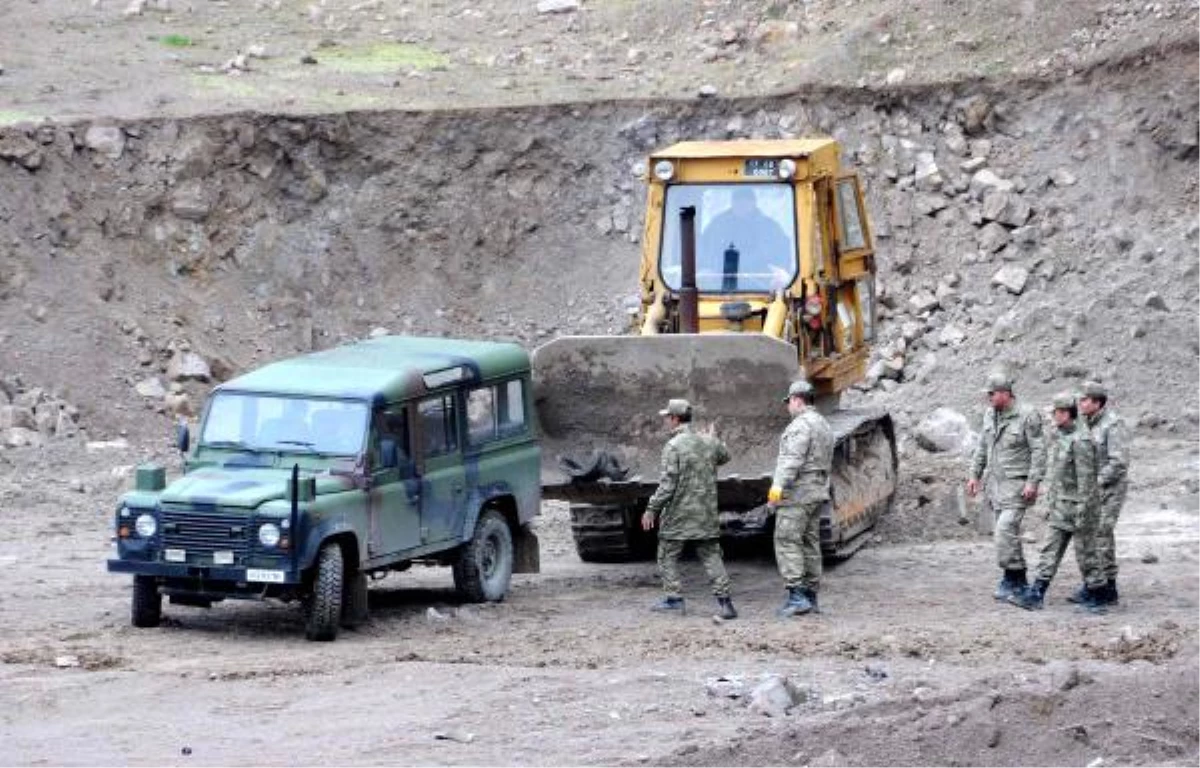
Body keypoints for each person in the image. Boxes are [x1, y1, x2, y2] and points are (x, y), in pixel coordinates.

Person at [640, 398, 736, 620]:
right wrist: (713, 439)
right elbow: (725, 456)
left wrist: (652, 509)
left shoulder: (673, 446)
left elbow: (668, 485)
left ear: (674, 419)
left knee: (666, 554)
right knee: (712, 556)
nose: (666, 421)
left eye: (667, 418)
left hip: (679, 514)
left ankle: (674, 599)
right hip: (706, 512)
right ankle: (726, 604)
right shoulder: (708, 442)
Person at [1009, 392, 1105, 611]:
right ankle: (1036, 594)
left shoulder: (1081, 440)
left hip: (1080, 507)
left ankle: (1098, 594)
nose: (1052, 416)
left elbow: (1087, 481)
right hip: (1061, 506)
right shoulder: (1058, 435)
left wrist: (1083, 511)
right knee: (1050, 550)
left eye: (1056, 412)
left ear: (1066, 413)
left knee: (1086, 553)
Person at [966, 371, 1046, 601]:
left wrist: (1033, 482)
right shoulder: (990, 415)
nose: (988, 398)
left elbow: (1039, 451)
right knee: (1006, 534)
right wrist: (975, 475)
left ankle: (1014, 578)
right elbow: (982, 446)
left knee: (1004, 530)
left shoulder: (1027, 416)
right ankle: (1015, 578)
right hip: (996, 487)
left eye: (992, 394)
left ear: (1005, 394)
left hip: (1017, 486)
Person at [767, 379, 834, 617]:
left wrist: (776, 490)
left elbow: (791, 461)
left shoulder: (800, 426)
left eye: (789, 402)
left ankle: (796, 597)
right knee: (810, 543)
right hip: (817, 491)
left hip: (798, 493)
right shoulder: (823, 424)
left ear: (796, 400)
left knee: (786, 539)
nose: (788, 408)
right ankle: (811, 596)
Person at [1075, 380, 1129, 606]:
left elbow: (1119, 463)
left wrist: (1096, 483)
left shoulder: (1112, 425)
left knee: (1101, 535)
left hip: (1108, 489)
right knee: (1087, 535)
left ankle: (1108, 588)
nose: (1080, 403)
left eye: (1085, 399)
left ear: (1097, 403)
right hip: (1090, 490)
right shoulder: (1084, 424)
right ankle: (1093, 584)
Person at [699, 187, 791, 289]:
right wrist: (706, 268)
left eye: (746, 201)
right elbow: (704, 249)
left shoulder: (770, 227)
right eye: (738, 201)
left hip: (762, 285)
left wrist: (781, 273)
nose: (742, 205)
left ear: (753, 203)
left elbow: (783, 253)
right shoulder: (717, 225)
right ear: (732, 202)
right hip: (719, 283)